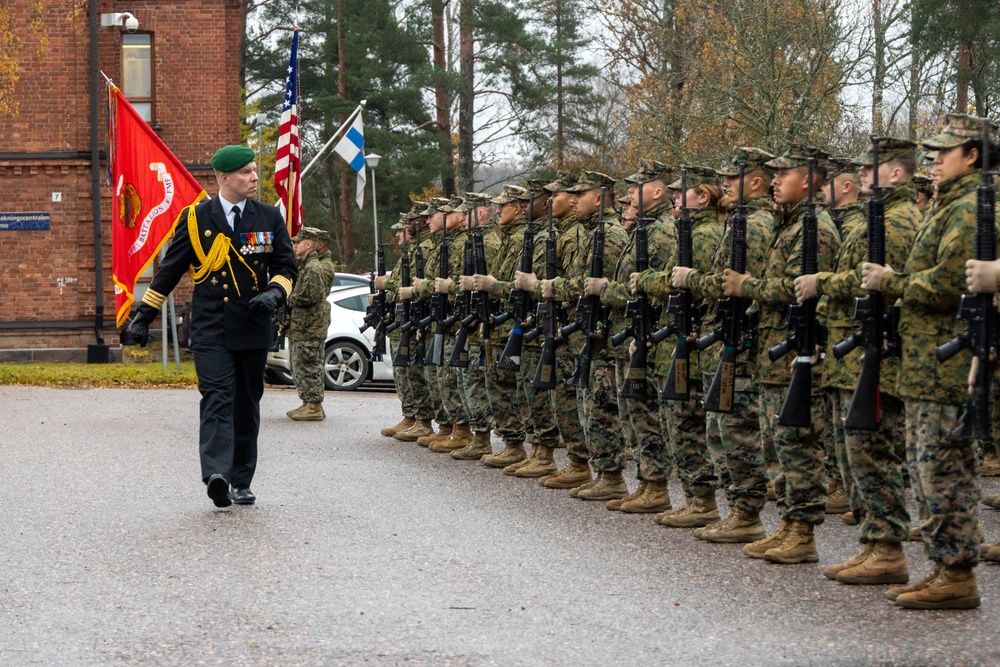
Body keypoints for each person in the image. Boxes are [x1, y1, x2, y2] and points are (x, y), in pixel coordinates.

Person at [861, 113, 996, 609]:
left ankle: (958, 574)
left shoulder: (968, 211)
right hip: (925, 364)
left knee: (943, 468)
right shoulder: (950, 206)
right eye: (932, 152)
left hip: (945, 366)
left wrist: (891, 282)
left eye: (945, 152)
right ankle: (944, 566)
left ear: (973, 155)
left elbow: (946, 282)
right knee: (926, 467)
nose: (933, 160)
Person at [125, 145, 296, 507]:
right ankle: (217, 474)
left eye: (254, 170)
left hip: (252, 323)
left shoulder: (269, 217)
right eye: (247, 172)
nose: (254, 177)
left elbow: (286, 267)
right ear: (223, 178)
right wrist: (143, 316)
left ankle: (241, 479)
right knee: (217, 397)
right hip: (211, 325)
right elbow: (169, 271)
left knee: (247, 403)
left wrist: (275, 294)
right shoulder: (195, 219)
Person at [796, 138, 921, 584]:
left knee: (874, 455)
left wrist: (824, 281)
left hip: (876, 356)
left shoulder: (900, 218)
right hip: (852, 356)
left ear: (896, 173)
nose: (861, 176)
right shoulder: (877, 216)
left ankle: (888, 548)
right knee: (855, 456)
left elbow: (878, 280)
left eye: (871, 169)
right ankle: (873, 544)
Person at [721, 144, 840, 563]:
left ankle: (803, 531)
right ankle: (789, 524)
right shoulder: (789, 225)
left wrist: (746, 287)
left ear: (807, 179)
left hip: (797, 352)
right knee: (777, 444)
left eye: (783, 174)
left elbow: (796, 288)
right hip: (775, 353)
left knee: (798, 443)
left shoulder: (816, 228)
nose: (774, 180)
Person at [286, 226, 337, 421]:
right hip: (303, 325)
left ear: (309, 245)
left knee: (309, 364)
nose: (295, 245)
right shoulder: (308, 264)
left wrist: (289, 298)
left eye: (298, 242)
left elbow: (310, 295)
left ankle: (314, 405)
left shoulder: (316, 267)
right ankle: (308, 403)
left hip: (310, 325)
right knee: (300, 363)